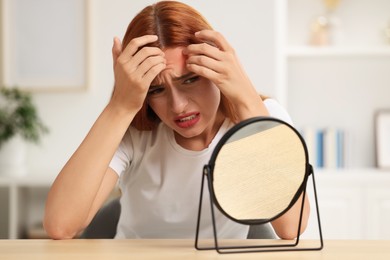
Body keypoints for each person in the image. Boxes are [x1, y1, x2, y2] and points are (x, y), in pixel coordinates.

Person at [44, 0, 310, 240]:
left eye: (190, 79)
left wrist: (246, 99)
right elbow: (60, 225)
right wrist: (119, 106)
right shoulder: (134, 131)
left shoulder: (262, 116)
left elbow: (291, 227)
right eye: (156, 90)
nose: (178, 106)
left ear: (216, 67)